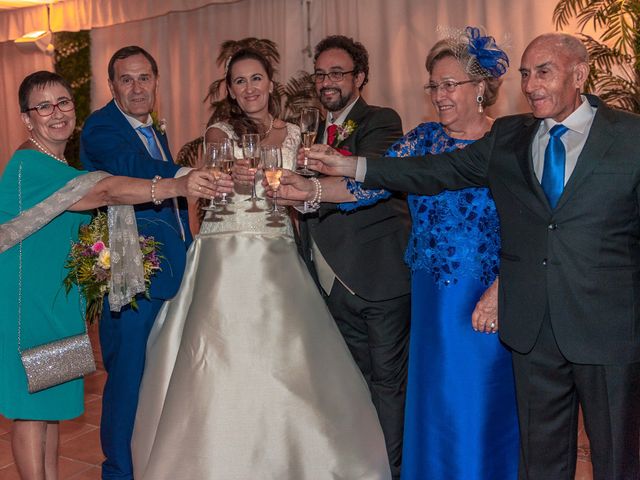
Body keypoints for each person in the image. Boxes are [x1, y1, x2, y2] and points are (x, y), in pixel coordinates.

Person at [288, 32, 640, 480]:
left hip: (568, 315)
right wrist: (337, 172)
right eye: (526, 74)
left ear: (579, 74)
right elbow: (425, 172)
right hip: (490, 316)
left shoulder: (624, 136)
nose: (531, 85)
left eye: (543, 73)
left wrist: (502, 287)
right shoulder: (508, 136)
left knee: (612, 455)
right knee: (536, 450)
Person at [130, 47, 391, 480]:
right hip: (224, 253)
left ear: (271, 83)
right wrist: (232, 174)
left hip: (276, 248)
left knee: (288, 358)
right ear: (230, 90)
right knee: (219, 357)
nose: (248, 88)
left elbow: (304, 193)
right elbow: (212, 176)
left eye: (256, 79)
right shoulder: (219, 131)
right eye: (238, 81)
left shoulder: (294, 135)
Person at [0, 71, 224, 480]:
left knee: (48, 410)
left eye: (64, 102)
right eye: (43, 106)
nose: (57, 113)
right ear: (27, 119)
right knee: (31, 413)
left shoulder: (57, 163)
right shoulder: (28, 165)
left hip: (56, 303)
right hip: (25, 306)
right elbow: (104, 191)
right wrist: (176, 185)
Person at [380, 28, 519, 479]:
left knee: (479, 399)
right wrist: (317, 186)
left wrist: (502, 288)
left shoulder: (508, 144)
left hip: (487, 297)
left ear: (480, 88)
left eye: (449, 84)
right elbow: (372, 180)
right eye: (433, 85)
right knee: (434, 399)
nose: (439, 95)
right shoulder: (421, 140)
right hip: (432, 298)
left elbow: (531, 227)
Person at [297, 35, 411, 479]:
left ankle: (393, 471)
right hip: (326, 283)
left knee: (387, 388)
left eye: (337, 73)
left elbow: (371, 176)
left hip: (377, 280)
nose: (327, 82)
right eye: (321, 74)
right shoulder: (311, 130)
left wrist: (310, 179)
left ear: (359, 77)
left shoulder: (382, 121)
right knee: (346, 385)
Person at [79, 46, 194, 479]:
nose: (137, 88)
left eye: (144, 78)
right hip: (128, 275)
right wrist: (186, 174)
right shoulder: (101, 128)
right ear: (111, 86)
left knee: (156, 376)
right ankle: (119, 471)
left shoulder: (152, 129)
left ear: (156, 82)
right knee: (127, 379)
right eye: (126, 80)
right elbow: (134, 168)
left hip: (164, 274)